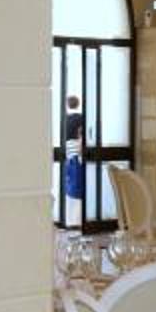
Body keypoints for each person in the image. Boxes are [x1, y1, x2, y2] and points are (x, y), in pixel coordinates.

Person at [61, 92, 86, 226]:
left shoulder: (64, 119)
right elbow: (82, 138)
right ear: (79, 104)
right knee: (78, 189)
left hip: (68, 157)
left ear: (67, 105)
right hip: (78, 156)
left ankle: (70, 220)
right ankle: (77, 220)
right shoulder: (82, 118)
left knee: (70, 189)